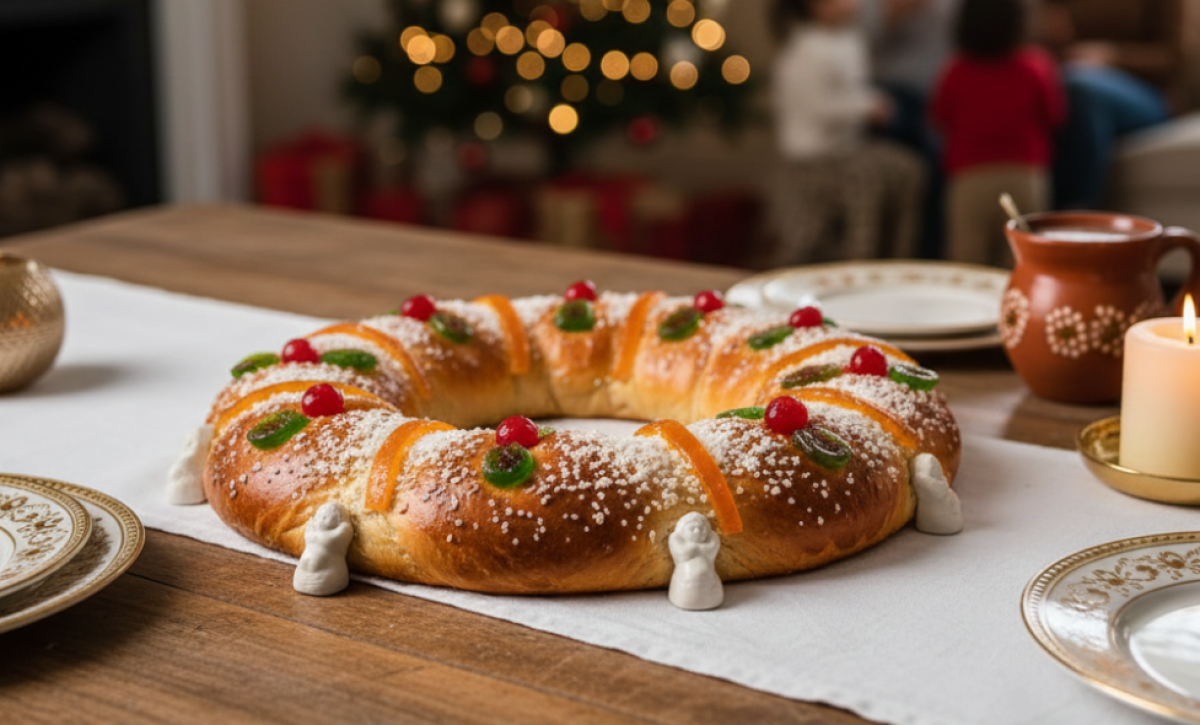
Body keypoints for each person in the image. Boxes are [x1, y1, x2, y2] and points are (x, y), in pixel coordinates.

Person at [769, 0, 925, 266]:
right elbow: (816, 107)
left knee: (909, 168)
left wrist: (872, 103)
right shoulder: (805, 50)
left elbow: (855, 88)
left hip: (849, 147)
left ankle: (899, 261)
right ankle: (858, 262)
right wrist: (865, 107)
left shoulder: (850, 40)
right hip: (814, 157)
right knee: (865, 183)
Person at [931, 0, 1065, 266]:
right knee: (1023, 261)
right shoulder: (1036, 66)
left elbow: (939, 117)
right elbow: (1054, 116)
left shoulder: (956, 70)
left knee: (967, 262)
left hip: (969, 178)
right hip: (1025, 175)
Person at [1040, 0, 1182, 209]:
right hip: (1066, 82)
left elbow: (1176, 58)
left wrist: (1112, 57)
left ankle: (1075, 214)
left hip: (1146, 96)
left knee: (1081, 89)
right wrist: (1047, 32)